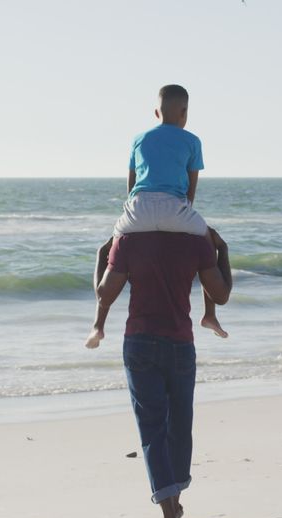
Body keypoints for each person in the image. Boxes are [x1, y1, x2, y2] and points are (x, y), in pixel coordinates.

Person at [94, 227, 233, 518]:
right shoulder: (195, 240)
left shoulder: (129, 240)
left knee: (152, 429)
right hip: (180, 345)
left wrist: (101, 255)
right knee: (180, 426)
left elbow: (104, 295)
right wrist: (222, 249)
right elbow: (221, 295)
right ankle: (175, 503)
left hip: (141, 343)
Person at [85, 84, 227, 349]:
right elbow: (190, 189)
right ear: (184, 112)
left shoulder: (139, 139)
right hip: (176, 208)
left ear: (156, 113)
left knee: (112, 250)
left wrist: (132, 218)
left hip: (139, 209)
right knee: (208, 244)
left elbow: (131, 185)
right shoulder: (193, 141)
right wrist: (185, 220)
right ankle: (209, 315)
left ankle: (98, 325)